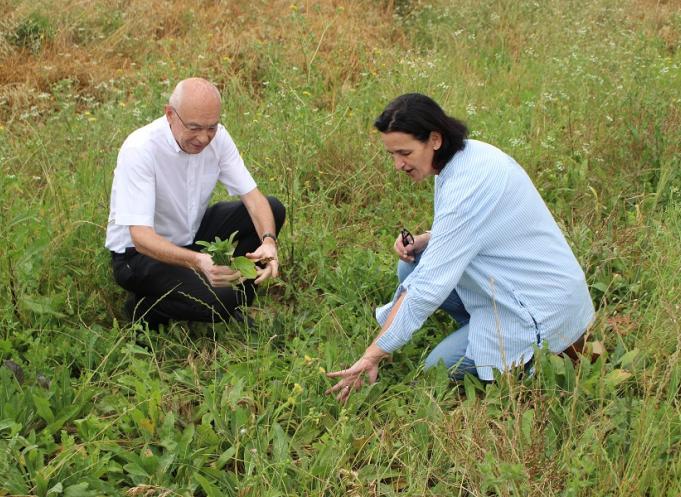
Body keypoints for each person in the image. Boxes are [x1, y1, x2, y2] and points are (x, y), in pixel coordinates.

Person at [327, 93, 594, 402]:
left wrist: (372, 355)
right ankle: (475, 331)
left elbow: (426, 288)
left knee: (435, 370)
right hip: (529, 286)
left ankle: (532, 361)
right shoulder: (469, 156)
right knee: (412, 261)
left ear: (435, 139)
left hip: (541, 314)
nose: (397, 164)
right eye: (392, 154)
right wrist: (429, 238)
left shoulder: (468, 187)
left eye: (404, 152)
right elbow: (477, 229)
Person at [105, 77, 285, 328]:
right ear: (170, 114)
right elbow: (140, 237)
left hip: (190, 233)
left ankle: (236, 301)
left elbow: (254, 199)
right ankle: (146, 308)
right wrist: (199, 261)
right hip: (137, 256)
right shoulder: (141, 149)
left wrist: (268, 241)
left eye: (211, 127)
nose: (203, 138)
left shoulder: (218, 138)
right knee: (220, 301)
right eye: (194, 127)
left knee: (273, 209)